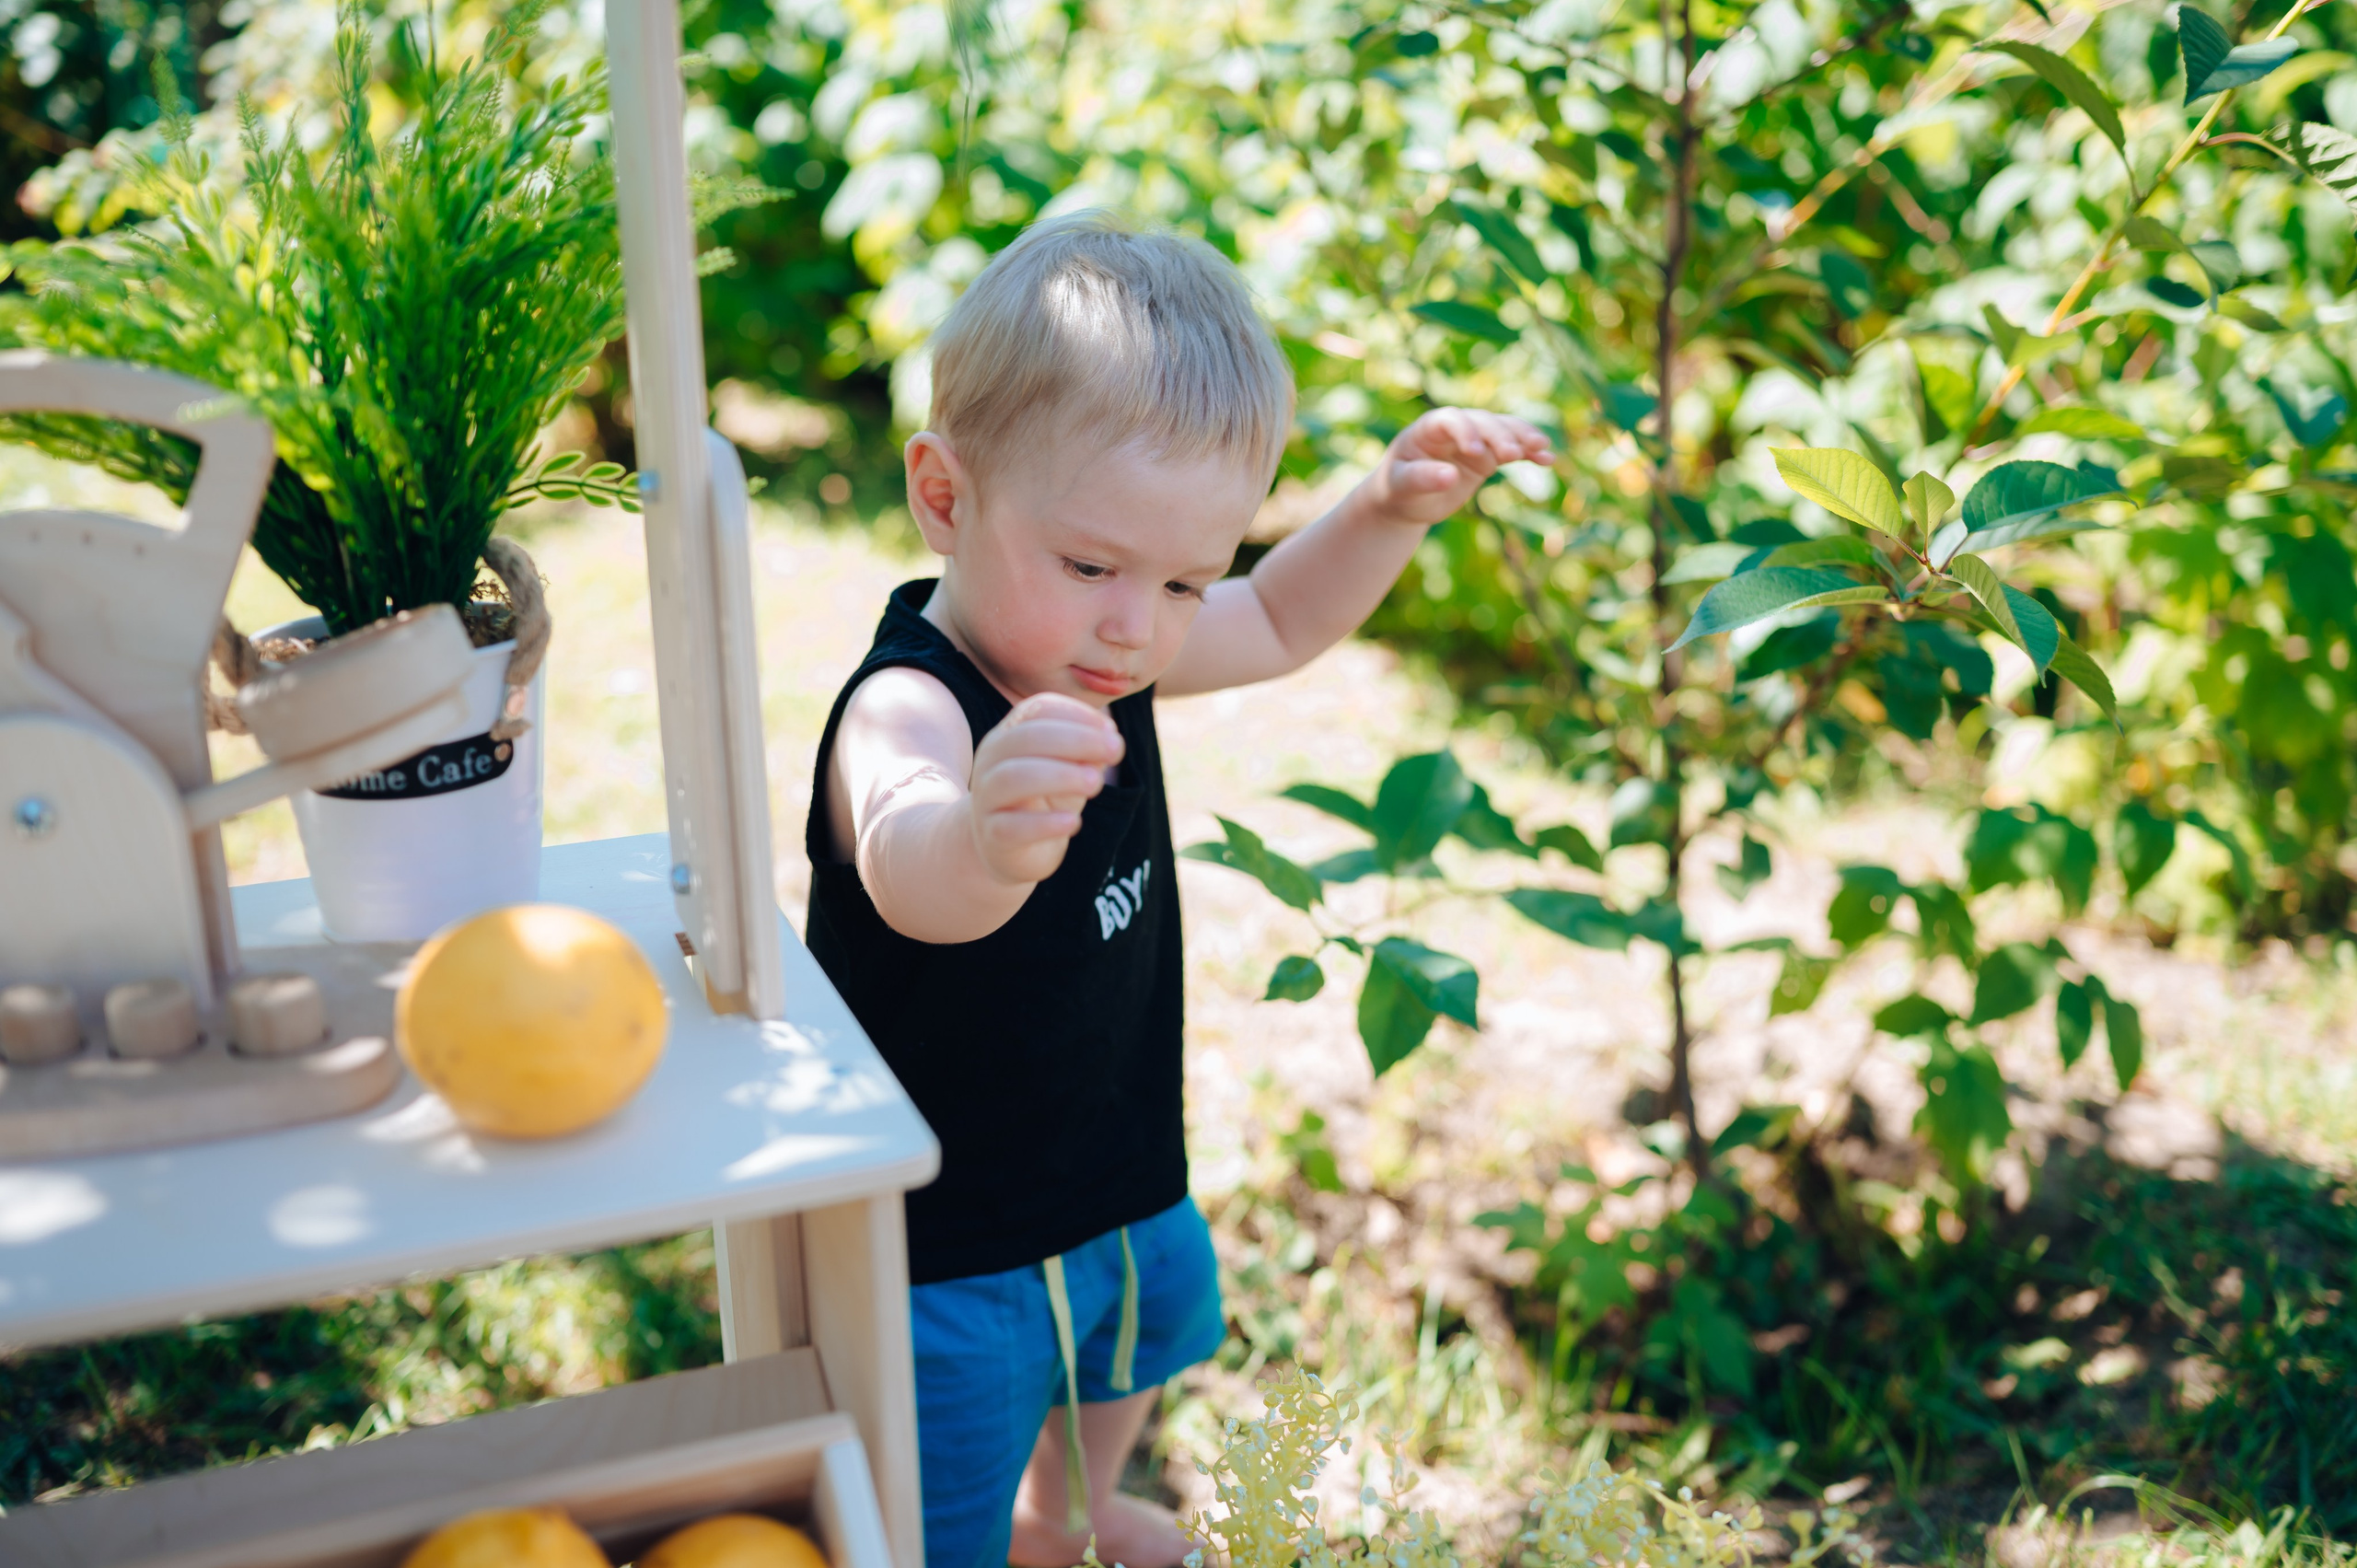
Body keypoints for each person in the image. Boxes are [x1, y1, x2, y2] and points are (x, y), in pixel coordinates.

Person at [804, 210, 1551, 1568]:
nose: (1136, 625)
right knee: (947, 1465)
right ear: (947, 496)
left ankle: (1066, 1512)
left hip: (1114, 1148)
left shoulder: (1115, 648)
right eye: (1092, 565)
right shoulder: (912, 703)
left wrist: (1385, 508)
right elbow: (911, 866)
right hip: (947, 1229)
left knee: (1132, 1330)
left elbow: (1272, 620)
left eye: (1180, 578)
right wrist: (982, 839)